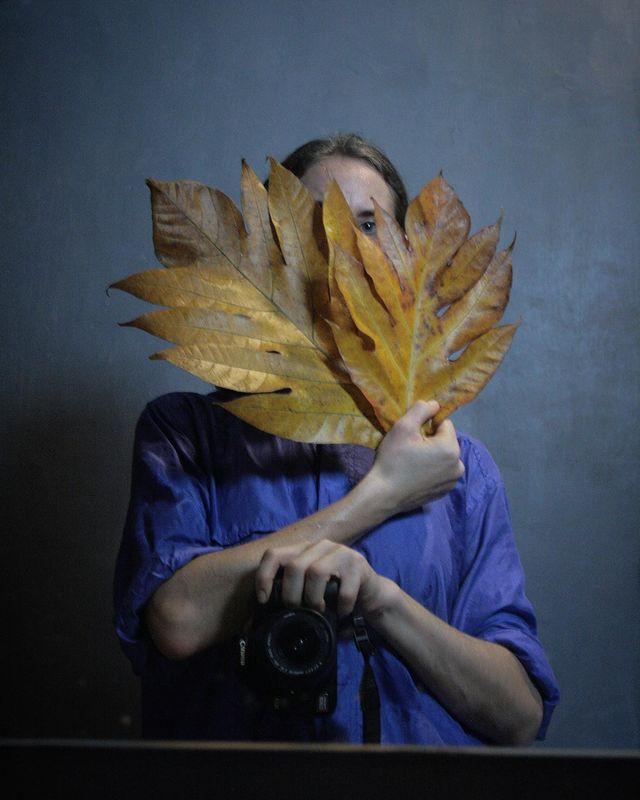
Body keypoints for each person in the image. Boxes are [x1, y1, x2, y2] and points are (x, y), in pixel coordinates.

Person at [113, 133, 559, 745]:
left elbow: (518, 716)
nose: (343, 241)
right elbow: (177, 619)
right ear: (280, 247)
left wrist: (383, 602)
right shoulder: (187, 434)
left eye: (368, 224)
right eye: (314, 221)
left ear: (406, 257)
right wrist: (383, 495)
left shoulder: (460, 470)